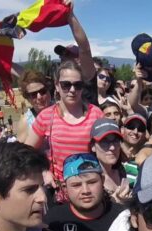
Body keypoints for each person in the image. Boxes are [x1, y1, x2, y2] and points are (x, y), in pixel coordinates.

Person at [26, 61, 104, 202]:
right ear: (57, 85)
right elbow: (26, 152)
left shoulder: (96, 114)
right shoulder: (46, 116)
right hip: (60, 194)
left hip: (91, 192)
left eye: (77, 85)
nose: (72, 90)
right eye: (66, 85)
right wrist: (44, 171)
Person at [90, 118, 126, 197]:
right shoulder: (89, 179)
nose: (112, 147)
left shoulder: (122, 170)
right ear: (93, 146)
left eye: (116, 141)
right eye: (104, 142)